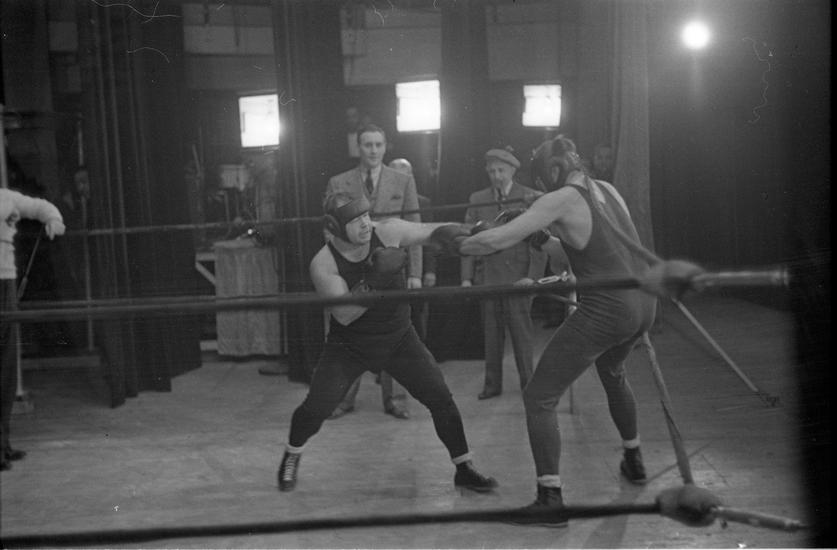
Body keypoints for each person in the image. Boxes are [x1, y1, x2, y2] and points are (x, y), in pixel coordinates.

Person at [449, 135, 659, 526]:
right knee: (612, 372)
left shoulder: (561, 198)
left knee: (539, 396)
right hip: (644, 302)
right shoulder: (607, 190)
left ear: (553, 171)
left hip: (609, 307)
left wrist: (455, 243)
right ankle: (634, 459)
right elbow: (581, 250)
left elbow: (496, 239)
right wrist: (541, 237)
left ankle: (550, 498)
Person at [276, 192, 498, 494]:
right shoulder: (324, 264)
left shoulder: (388, 232)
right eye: (355, 220)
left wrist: (469, 232)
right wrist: (376, 280)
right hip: (349, 348)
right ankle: (292, 453)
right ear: (334, 226)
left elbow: (431, 230)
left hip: (399, 339)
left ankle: (464, 468)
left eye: (366, 215)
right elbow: (344, 315)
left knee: (441, 398)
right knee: (316, 409)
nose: (365, 224)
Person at [326, 125, 421, 420]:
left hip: (392, 268)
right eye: (368, 145)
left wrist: (416, 272)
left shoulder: (403, 180)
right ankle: (342, 398)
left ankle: (396, 399)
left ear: (385, 146)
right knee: (348, 333)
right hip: (353, 268)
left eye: (378, 144)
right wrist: (339, 265)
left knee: (396, 332)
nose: (373, 150)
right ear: (359, 147)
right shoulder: (338, 182)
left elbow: (415, 227)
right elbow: (329, 229)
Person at [461, 147, 546, 400]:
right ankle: (492, 384)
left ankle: (529, 384)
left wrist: (533, 277)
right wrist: (466, 277)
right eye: (492, 171)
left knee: (522, 335)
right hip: (488, 276)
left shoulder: (528, 197)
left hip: (518, 277)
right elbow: (467, 240)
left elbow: (540, 241)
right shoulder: (477, 199)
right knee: (491, 334)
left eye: (501, 170)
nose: (496, 176)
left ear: (512, 171)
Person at [1, 186, 66, 471]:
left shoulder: (7, 197)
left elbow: (41, 207)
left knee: (5, 367)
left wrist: (53, 219)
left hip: (6, 284)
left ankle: (3, 444)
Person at [389, 158, 436, 342]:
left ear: (411, 177)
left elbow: (429, 237)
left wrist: (429, 270)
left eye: (404, 175)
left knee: (417, 318)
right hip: (389, 267)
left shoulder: (423, 203)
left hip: (414, 267)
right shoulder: (383, 203)